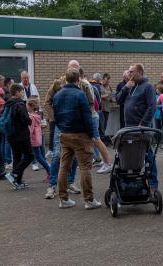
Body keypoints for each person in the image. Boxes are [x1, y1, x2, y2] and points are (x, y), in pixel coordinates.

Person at [43, 60, 93, 199]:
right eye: (72, 68)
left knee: (76, 155)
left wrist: (85, 122)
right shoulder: (58, 83)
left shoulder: (83, 85)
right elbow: (47, 101)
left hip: (78, 128)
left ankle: (70, 182)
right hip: (62, 126)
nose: (74, 71)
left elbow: (90, 104)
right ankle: (52, 186)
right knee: (58, 155)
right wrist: (55, 118)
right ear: (67, 69)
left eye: (77, 69)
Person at [53, 67, 101, 209]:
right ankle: (89, 200)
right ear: (78, 79)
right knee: (85, 167)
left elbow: (55, 115)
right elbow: (87, 117)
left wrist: (62, 128)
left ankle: (63, 199)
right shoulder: (80, 94)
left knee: (64, 166)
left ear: (66, 79)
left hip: (64, 134)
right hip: (80, 135)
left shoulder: (57, 95)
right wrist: (92, 134)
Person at [116, 63, 158, 191]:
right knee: (131, 155)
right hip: (129, 128)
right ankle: (132, 184)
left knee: (148, 154)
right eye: (129, 72)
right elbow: (118, 100)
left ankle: (153, 184)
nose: (129, 74)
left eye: (132, 72)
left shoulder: (148, 87)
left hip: (142, 128)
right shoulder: (129, 86)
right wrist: (125, 88)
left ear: (140, 72)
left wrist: (143, 124)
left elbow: (152, 106)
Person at [4, 84, 34, 189]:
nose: (23, 94)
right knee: (30, 155)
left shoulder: (8, 103)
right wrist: (30, 120)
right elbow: (25, 120)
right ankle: (14, 174)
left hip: (11, 134)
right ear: (17, 92)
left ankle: (18, 181)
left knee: (17, 156)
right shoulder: (20, 104)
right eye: (22, 92)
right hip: (21, 135)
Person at [27, 98, 50, 180]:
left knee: (39, 157)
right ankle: (50, 171)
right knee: (39, 157)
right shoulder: (37, 116)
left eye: (27, 105)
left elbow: (30, 129)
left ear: (30, 107)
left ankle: (50, 171)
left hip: (33, 139)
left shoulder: (31, 117)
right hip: (37, 139)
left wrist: (27, 139)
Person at [2, 77, 14, 169]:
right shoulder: (8, 95)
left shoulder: (2, 93)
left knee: (4, 141)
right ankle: (8, 161)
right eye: (12, 84)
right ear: (8, 84)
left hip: (3, 120)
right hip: (8, 120)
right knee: (7, 141)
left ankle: (5, 160)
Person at [100, 73, 114, 137]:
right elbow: (98, 96)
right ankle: (101, 138)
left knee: (105, 125)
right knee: (101, 125)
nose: (107, 83)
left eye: (108, 81)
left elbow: (111, 96)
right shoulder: (99, 86)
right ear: (103, 79)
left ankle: (103, 138)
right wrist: (106, 95)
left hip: (107, 108)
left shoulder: (109, 87)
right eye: (106, 81)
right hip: (101, 109)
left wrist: (112, 99)